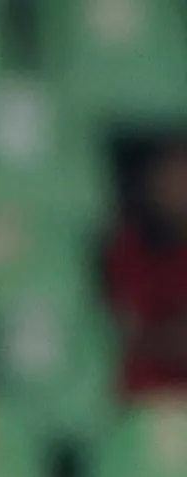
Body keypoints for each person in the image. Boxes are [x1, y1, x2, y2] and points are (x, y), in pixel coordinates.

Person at [106, 138, 187, 396]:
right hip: (143, 400)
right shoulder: (126, 249)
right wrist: (165, 338)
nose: (179, 189)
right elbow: (123, 334)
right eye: (170, 178)